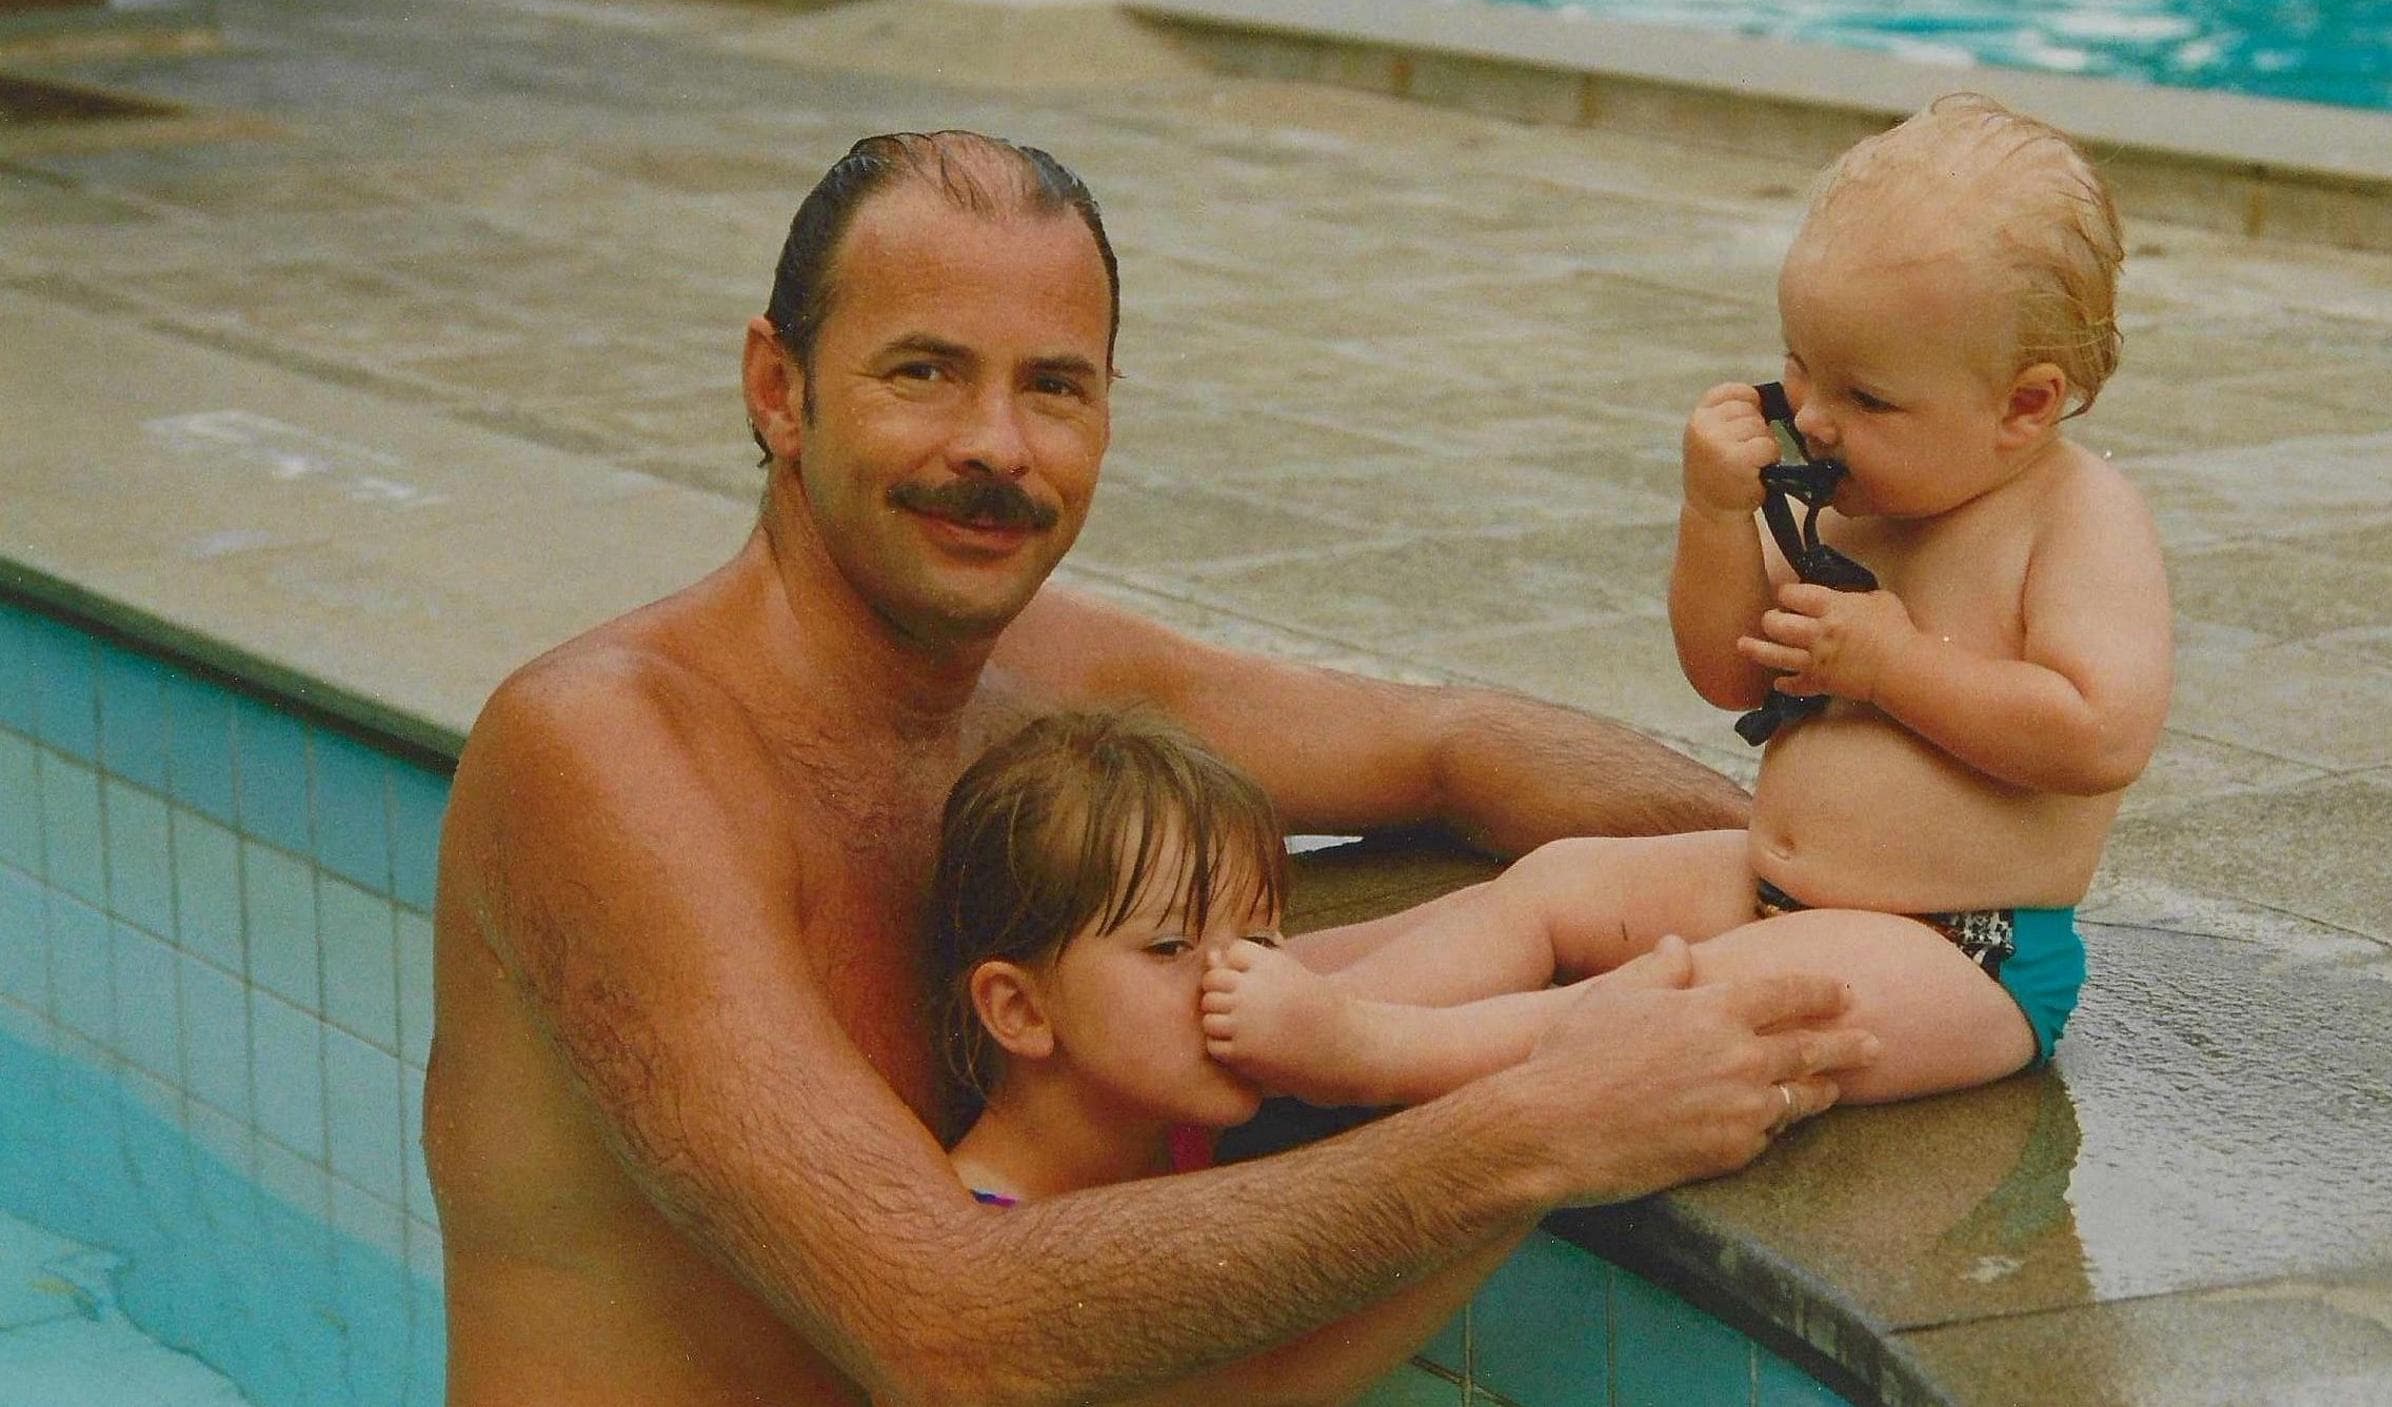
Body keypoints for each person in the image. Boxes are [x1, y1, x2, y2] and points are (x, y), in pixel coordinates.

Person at [425, 128, 1881, 1407]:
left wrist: (1914, 892)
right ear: (780, 388)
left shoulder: (1040, 677)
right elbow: (943, 1325)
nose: (996, 448)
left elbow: (1457, 750)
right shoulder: (608, 752)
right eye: (924, 372)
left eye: (1054, 387)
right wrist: (1546, 1117)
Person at [1200, 94, 2173, 1112]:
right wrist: (1713, 514)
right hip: (1771, 883)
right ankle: (1301, 988)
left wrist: (1892, 666)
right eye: (1799, 366)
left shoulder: (2076, 516)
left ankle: (1379, 1050)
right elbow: (1728, 672)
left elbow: (2097, 734)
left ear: (2024, 404)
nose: (1813, 418)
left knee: (1694, 999)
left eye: (1868, 398)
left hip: (1961, 948)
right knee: (1560, 879)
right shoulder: (1856, 496)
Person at [929, 708, 1561, 1405]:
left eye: (1260, 942)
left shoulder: (1166, 1129)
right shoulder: (991, 1249)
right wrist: (1534, 1148)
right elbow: (1266, 1385)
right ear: (1019, 1009)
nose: (1239, 982)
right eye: (1170, 947)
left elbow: (1497, 925)